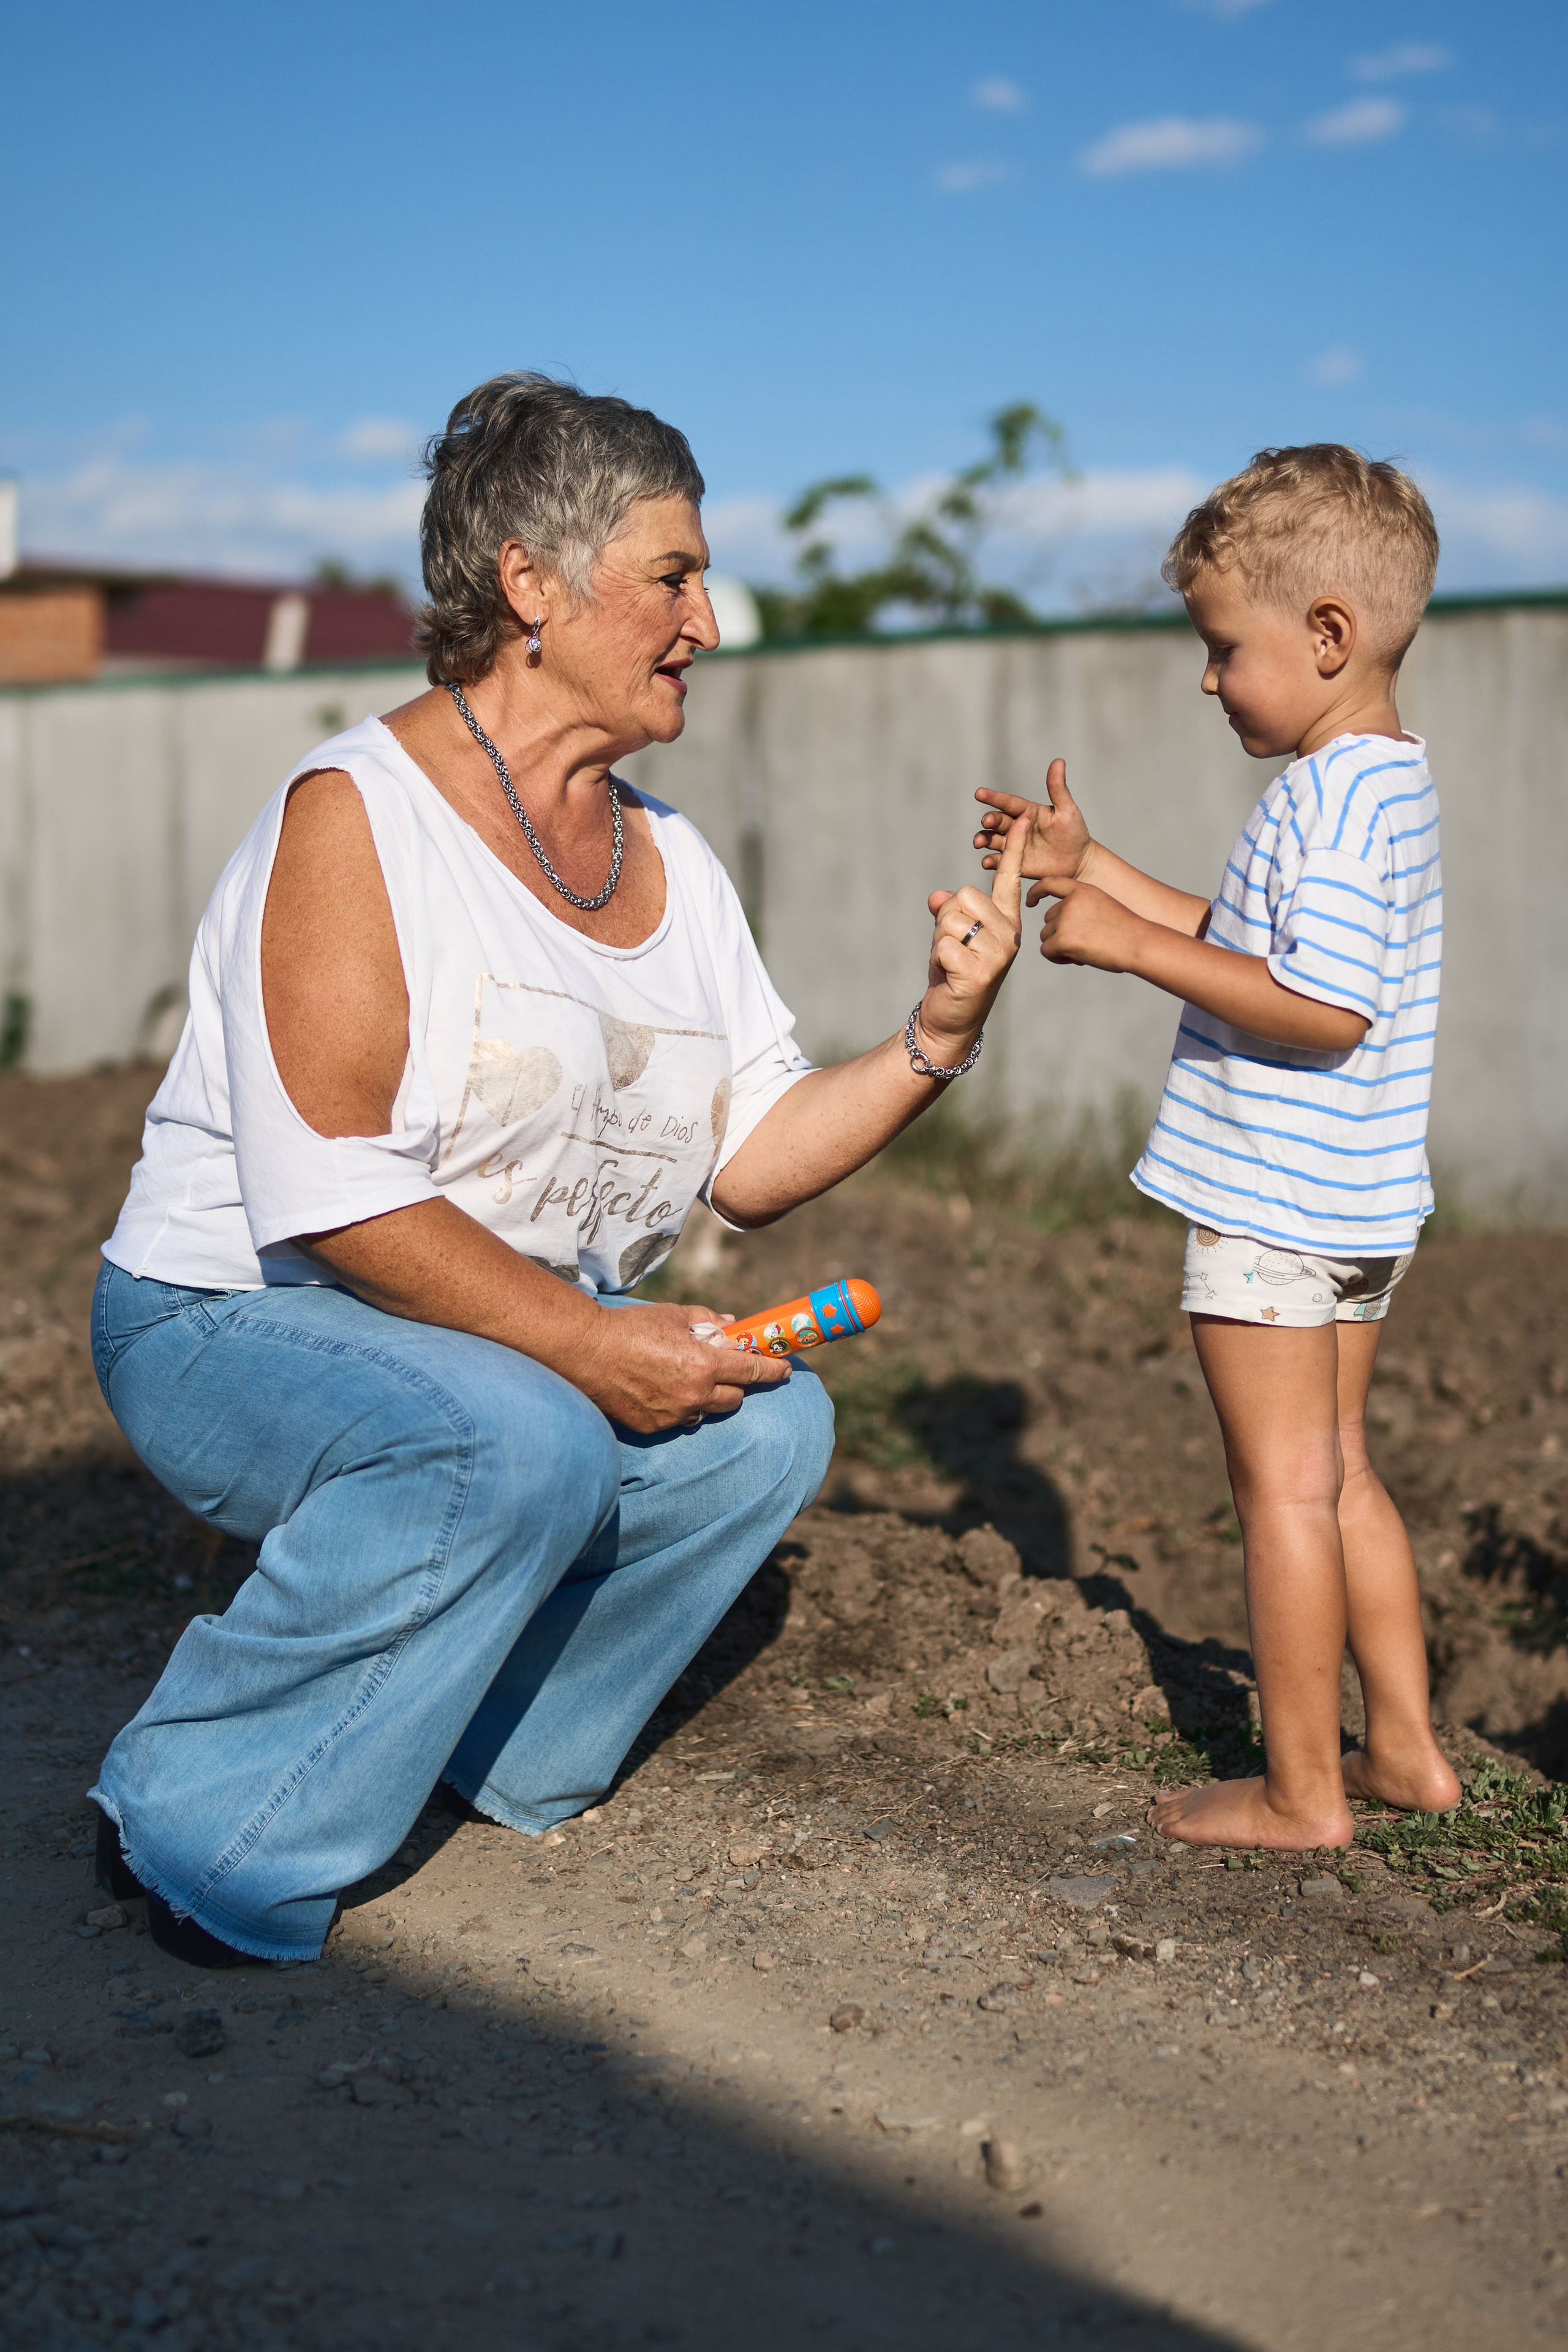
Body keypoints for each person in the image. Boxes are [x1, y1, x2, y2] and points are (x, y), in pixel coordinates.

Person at [89, 372, 1028, 1964]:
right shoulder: (357, 815)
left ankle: (494, 1738)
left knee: (767, 1427)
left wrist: (938, 1032)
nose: (709, 621)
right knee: (526, 1437)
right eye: (674, 574)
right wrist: (593, 1345)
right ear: (532, 582)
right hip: (231, 1315)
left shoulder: (672, 859)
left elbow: (753, 1155)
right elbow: (325, 1190)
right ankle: (198, 1819)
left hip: (479, 1343)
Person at [974, 444, 1460, 1851]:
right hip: (1356, 1199)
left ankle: (1303, 1791)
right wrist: (1090, 871)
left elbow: (1318, 1006)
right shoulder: (1378, 783)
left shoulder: (1322, 804)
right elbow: (1258, 944)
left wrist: (1121, 947)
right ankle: (1408, 1754)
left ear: (1325, 636)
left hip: (1269, 1202)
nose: (1204, 678)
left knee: (1281, 1495)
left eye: (1219, 646)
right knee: (1341, 1470)